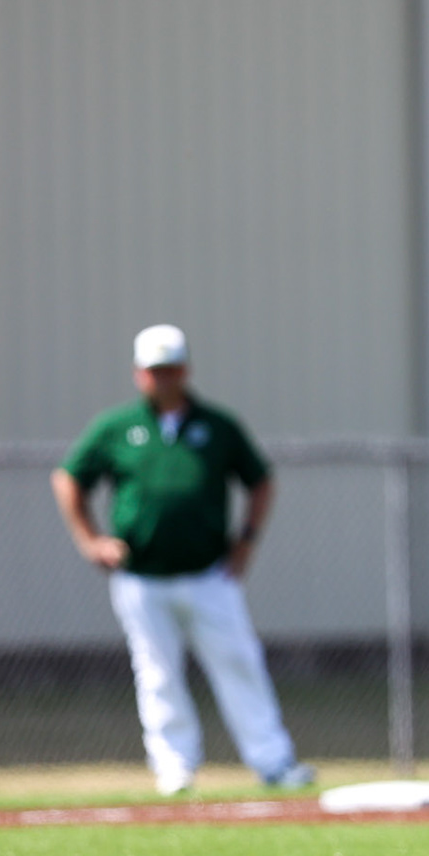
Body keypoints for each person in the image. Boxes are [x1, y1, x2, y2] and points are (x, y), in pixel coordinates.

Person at [51, 324, 314, 795]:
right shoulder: (118, 427)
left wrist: (246, 540)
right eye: (154, 370)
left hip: (209, 574)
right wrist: (91, 540)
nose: (163, 379)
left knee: (239, 663)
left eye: (170, 369)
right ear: (139, 374)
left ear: (185, 370)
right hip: (142, 577)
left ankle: (273, 762)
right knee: (157, 673)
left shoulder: (217, 426)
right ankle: (173, 767)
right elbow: (69, 477)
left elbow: (260, 479)